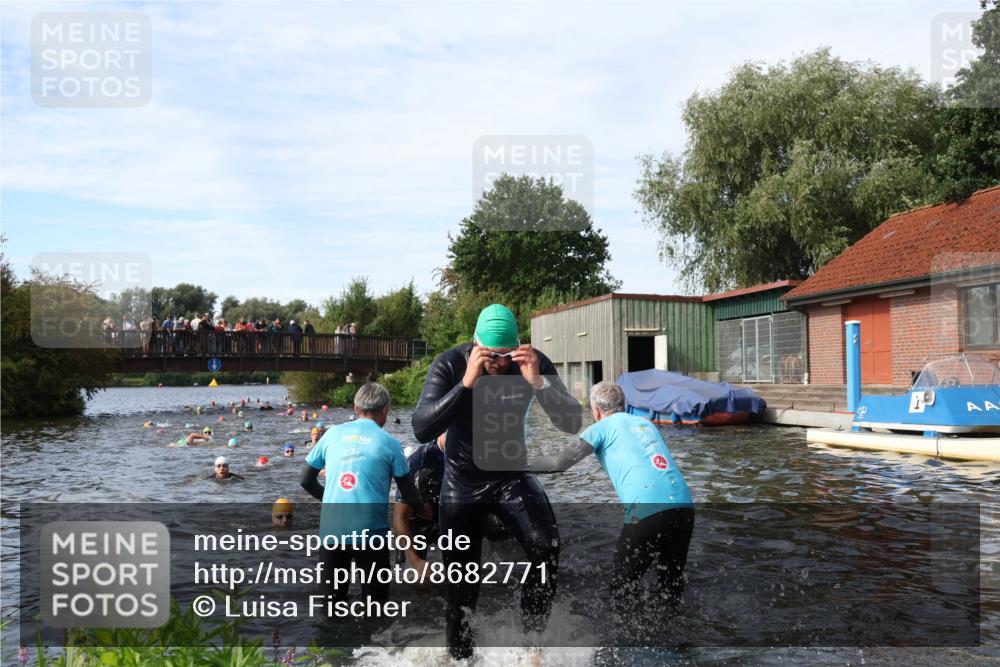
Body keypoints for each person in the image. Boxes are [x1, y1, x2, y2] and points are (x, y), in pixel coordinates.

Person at [411, 303, 581, 659]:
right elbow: (422, 427)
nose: (498, 363)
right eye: (489, 354)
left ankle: (531, 643)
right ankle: (460, 658)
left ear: (517, 346)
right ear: (475, 344)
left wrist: (538, 383)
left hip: (510, 477)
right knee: (462, 583)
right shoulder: (451, 363)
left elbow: (571, 422)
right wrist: (467, 382)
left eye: (505, 355)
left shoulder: (532, 362)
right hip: (461, 482)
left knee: (546, 548)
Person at [531, 381, 695, 617]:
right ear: (624, 406)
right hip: (684, 506)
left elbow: (559, 463)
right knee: (670, 584)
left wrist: (515, 466)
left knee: (623, 586)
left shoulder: (601, 427)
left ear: (596, 411)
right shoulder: (646, 424)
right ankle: (675, 639)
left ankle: (630, 643)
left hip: (648, 511)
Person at [300, 382, 430, 604]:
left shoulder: (331, 435)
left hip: (332, 531)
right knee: (375, 606)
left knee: (331, 605)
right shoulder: (390, 443)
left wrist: (331, 500)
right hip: (370, 533)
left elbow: (305, 480)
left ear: (355, 407)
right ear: (386, 410)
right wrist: (424, 510)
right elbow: (408, 491)